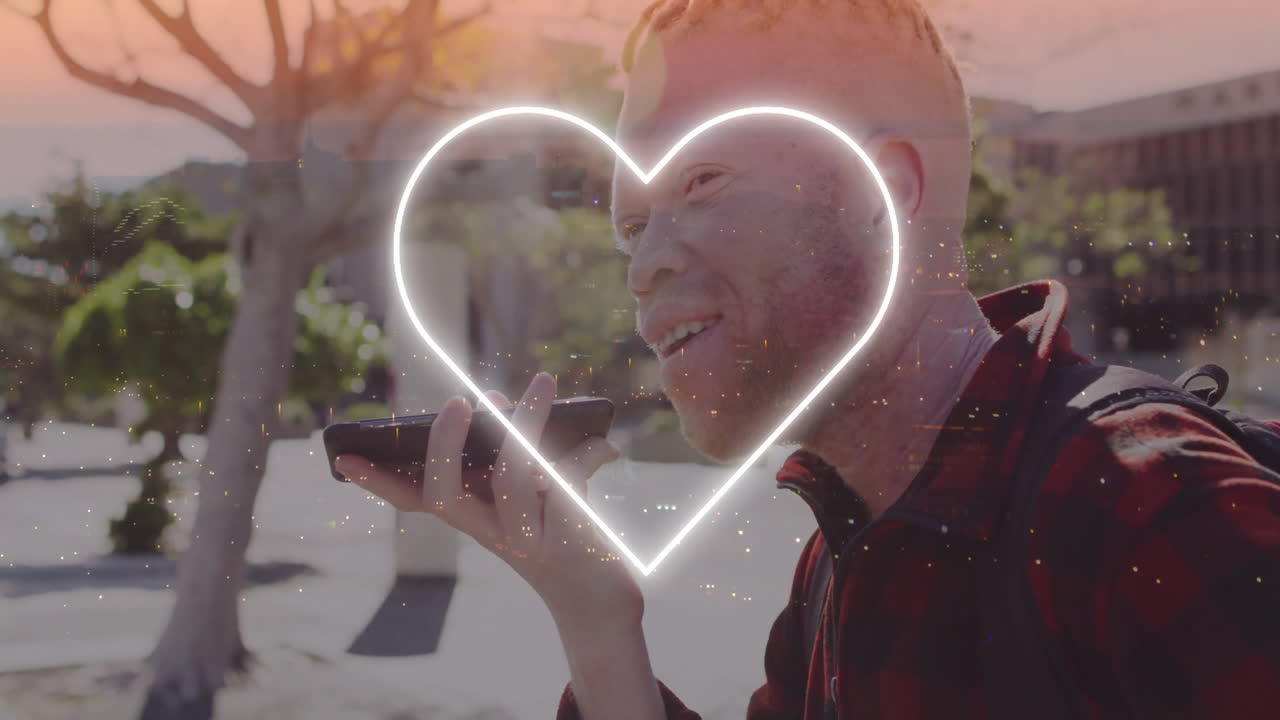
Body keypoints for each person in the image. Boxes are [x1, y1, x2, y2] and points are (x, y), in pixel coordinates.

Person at [335, 0, 1280, 717]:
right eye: (631, 226)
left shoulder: (1152, 511)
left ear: (886, 189)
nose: (642, 263)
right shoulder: (840, 556)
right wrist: (593, 618)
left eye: (703, 179)